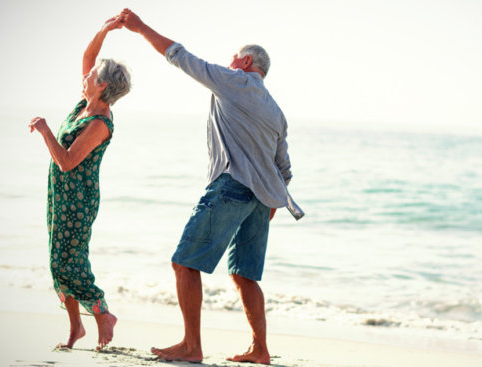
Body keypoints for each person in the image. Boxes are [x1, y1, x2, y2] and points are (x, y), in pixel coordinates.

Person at [119, 8, 294, 365]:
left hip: (231, 187)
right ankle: (260, 350)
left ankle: (191, 346)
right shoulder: (276, 110)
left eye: (234, 58)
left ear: (245, 62)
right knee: (244, 275)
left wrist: (139, 28)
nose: (229, 62)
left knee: (184, 264)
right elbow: (284, 168)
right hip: (262, 200)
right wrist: (271, 203)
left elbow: (180, 57)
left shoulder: (234, 80)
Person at [28, 15, 131, 351]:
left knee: (66, 262)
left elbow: (68, 161)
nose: (85, 75)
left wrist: (45, 131)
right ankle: (76, 329)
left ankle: (102, 314)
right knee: (58, 261)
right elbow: (88, 59)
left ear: (102, 86)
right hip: (59, 194)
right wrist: (104, 30)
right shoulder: (84, 105)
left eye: (92, 76)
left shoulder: (101, 121)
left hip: (78, 199)